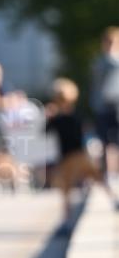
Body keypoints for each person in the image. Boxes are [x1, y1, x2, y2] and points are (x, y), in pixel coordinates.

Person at [45, 77, 108, 234]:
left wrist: (49, 117)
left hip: (67, 157)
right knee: (97, 177)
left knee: (66, 191)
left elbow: (46, 132)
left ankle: (66, 222)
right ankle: (113, 198)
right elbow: (84, 132)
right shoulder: (76, 115)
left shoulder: (57, 118)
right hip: (80, 154)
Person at [91, 27, 119, 190]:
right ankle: (109, 173)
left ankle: (115, 172)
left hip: (116, 105)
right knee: (105, 142)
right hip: (103, 106)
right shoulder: (101, 61)